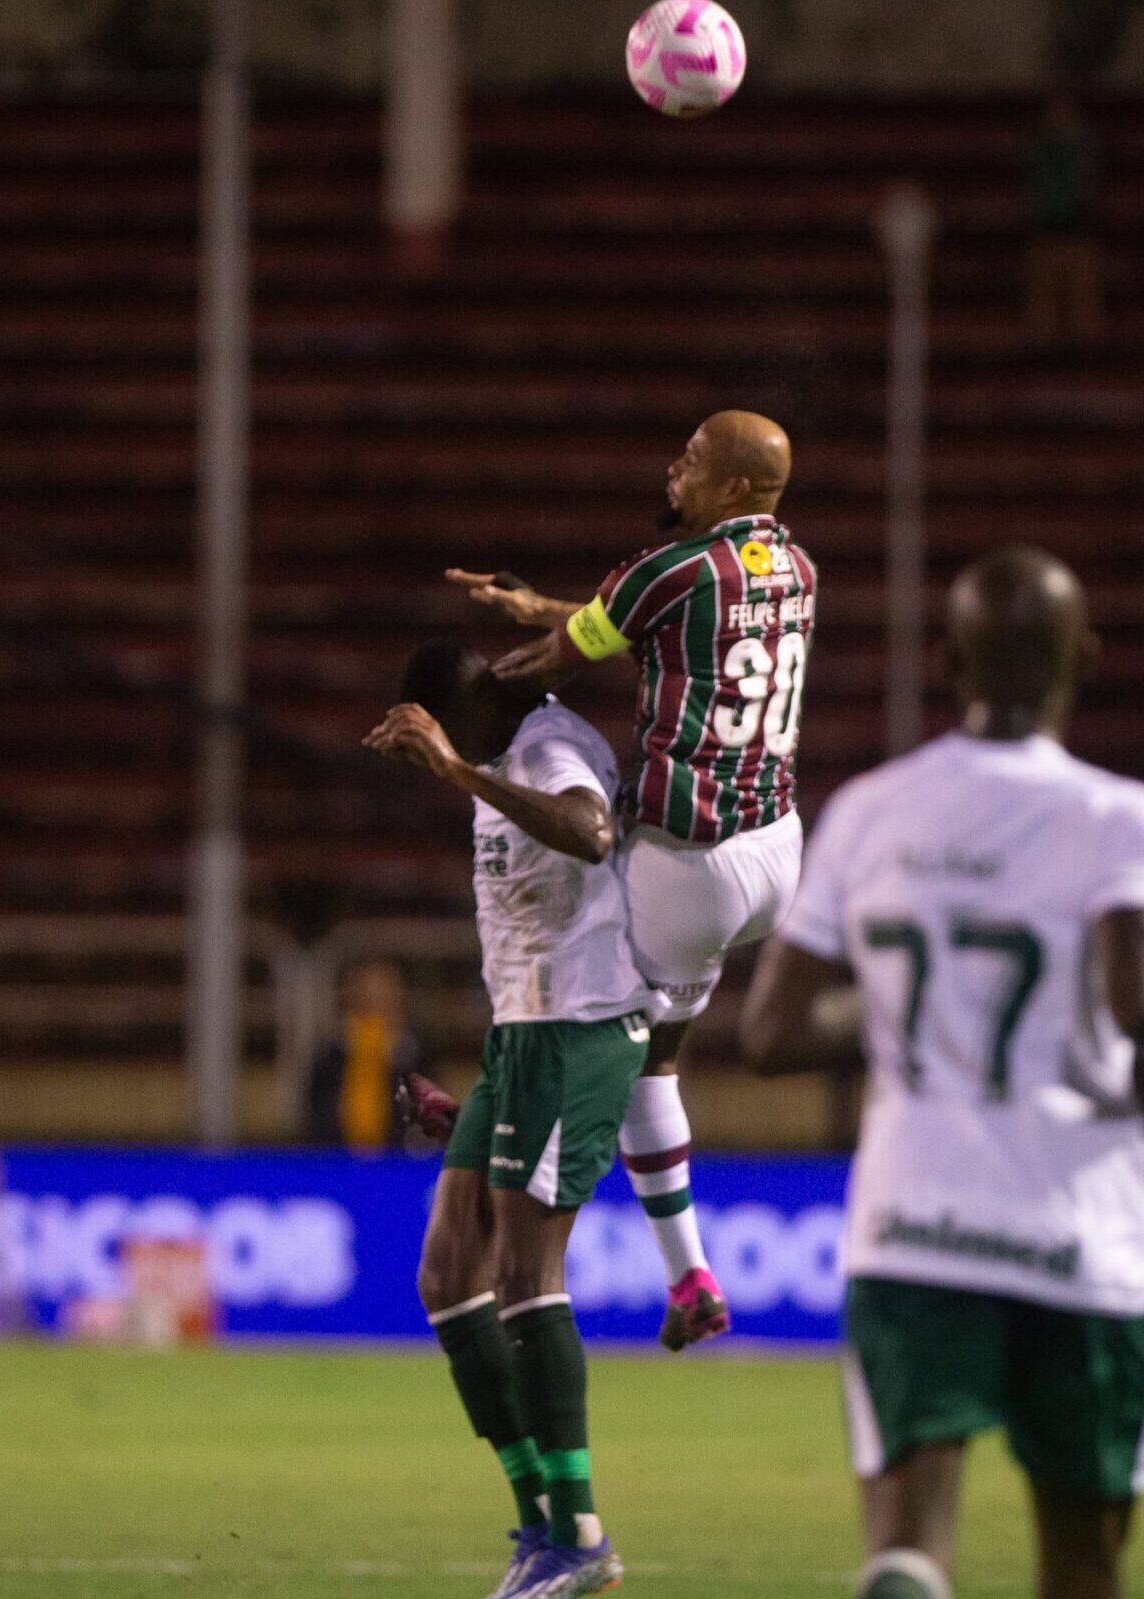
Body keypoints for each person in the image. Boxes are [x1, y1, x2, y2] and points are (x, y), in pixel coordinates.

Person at [737, 547, 1144, 1599]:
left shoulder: (871, 809)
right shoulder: (1125, 818)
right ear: (1084, 659)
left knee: (912, 1543)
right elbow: (1134, 996)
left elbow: (772, 1030)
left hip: (913, 1218)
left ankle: (909, 1572)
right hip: (1077, 1224)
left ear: (945, 659)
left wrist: (892, 992)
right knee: (1082, 1558)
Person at [447, 410, 817, 1351]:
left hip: (688, 864)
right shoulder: (796, 568)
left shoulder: (669, 569)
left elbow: (550, 661)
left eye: (693, 459)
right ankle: (689, 1272)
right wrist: (538, 606)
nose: (673, 467)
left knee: (605, 1020)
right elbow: (641, 622)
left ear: (734, 486)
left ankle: (512, 1112)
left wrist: (463, 721)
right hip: (774, 850)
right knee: (661, 1049)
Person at [366, 642, 648, 1599]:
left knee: (527, 1274)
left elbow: (591, 831)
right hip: (520, 1037)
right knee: (449, 1274)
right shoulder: (499, 758)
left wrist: (452, 768)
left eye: (442, 733)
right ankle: (538, 1522)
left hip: (576, 1029)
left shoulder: (548, 748)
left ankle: (580, 1535)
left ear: (468, 710)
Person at [303, 957, 419, 1150]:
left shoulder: (416, 1060)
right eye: (368, 998)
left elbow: (427, 1127)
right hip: (336, 1162)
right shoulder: (328, 1060)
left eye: (383, 997)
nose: (375, 1005)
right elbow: (314, 1122)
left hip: (398, 1165)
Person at [1025, 94, 1107, 347]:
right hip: (1045, 231)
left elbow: (1088, 186)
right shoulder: (1038, 153)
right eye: (1053, 112)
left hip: (1076, 231)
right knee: (1043, 304)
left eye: (1064, 113)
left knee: (1083, 300)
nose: (1058, 119)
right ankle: (1044, 349)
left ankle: (1087, 351)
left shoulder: (1080, 151)